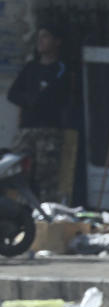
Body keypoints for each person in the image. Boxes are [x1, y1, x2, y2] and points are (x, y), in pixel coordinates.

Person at [6, 23, 70, 203]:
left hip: (48, 131)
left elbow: (63, 97)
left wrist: (43, 101)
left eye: (46, 37)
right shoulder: (31, 68)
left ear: (57, 41)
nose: (41, 41)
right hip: (27, 129)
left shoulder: (61, 69)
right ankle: (19, 216)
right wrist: (29, 100)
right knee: (18, 173)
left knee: (47, 177)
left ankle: (46, 217)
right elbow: (13, 94)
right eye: (39, 37)